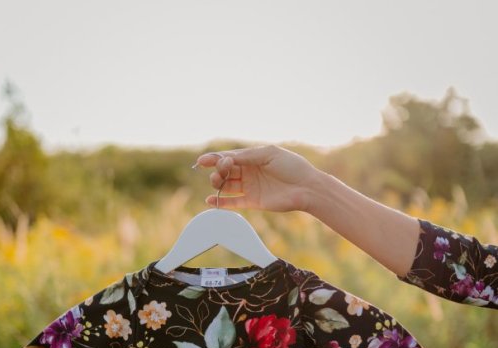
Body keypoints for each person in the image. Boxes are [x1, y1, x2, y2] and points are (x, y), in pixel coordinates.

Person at [192, 145, 498, 309]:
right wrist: (312, 189)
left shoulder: (294, 298)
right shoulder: (142, 294)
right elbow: (472, 271)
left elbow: (469, 273)